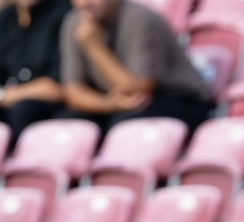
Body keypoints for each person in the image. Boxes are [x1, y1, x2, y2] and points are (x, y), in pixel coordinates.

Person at [59, 0, 212, 134]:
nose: (84, 3)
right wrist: (107, 104)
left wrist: (95, 46)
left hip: (177, 98)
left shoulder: (141, 19)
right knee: (66, 122)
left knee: (124, 126)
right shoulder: (74, 22)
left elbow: (138, 91)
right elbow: (73, 92)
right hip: (116, 101)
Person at [0, 0, 72, 151]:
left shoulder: (63, 13)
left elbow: (56, 88)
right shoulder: (6, 18)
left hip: (50, 107)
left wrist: (6, 95)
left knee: (23, 110)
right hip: (10, 100)